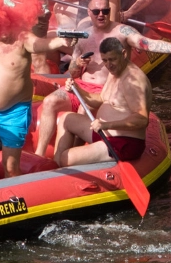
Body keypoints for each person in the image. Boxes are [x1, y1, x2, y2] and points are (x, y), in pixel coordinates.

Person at [34, 0, 171, 155]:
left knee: (84, 111)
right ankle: (40, 156)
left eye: (105, 10)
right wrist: (78, 64)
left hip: (103, 90)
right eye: (96, 11)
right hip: (81, 86)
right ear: (89, 12)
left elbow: (147, 43)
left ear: (110, 11)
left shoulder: (123, 32)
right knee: (49, 102)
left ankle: (74, 155)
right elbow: (73, 71)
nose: (101, 15)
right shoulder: (83, 35)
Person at [0, 19, 73, 184]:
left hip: (12, 113)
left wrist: (60, 42)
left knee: (11, 168)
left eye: (7, 23)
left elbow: (39, 44)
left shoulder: (23, 38)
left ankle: (16, 201)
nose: (3, 28)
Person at [54, 37, 152, 166]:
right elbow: (101, 99)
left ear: (124, 54)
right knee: (65, 119)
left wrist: (107, 125)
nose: (108, 65)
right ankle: (54, 168)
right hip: (103, 132)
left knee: (66, 157)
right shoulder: (114, 71)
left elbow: (141, 119)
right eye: (105, 60)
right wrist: (77, 90)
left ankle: (62, 166)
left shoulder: (133, 82)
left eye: (112, 59)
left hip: (124, 142)